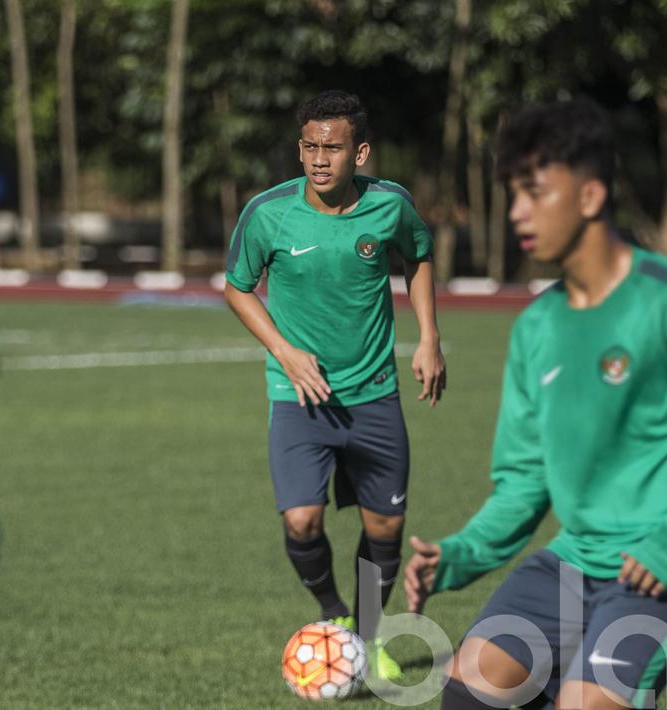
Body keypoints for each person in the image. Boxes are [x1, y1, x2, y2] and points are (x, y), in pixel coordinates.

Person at [403, 99, 667, 710]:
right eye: (513, 195)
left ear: (589, 196)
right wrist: (459, 554)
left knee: (583, 703)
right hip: (575, 561)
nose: (517, 212)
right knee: (471, 690)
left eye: (534, 193)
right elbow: (524, 480)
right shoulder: (536, 328)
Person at [225, 90, 446, 681]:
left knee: (386, 527)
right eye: (310, 147)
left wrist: (429, 336)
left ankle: (369, 637)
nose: (319, 159)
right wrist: (284, 351)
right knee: (301, 520)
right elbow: (237, 287)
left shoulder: (390, 204)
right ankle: (333, 614)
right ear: (299, 149)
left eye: (333, 148)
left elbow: (418, 256)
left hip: (373, 391)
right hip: (298, 395)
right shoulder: (268, 212)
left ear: (360, 153)